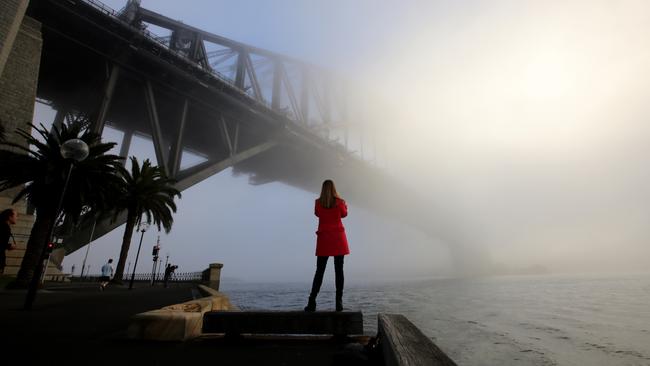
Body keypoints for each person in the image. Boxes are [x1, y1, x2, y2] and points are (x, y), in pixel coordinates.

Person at [305, 179, 350, 312]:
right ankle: (338, 303)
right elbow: (344, 214)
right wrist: (345, 205)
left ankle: (312, 302)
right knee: (339, 271)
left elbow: (317, 213)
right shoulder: (340, 202)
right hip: (338, 239)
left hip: (324, 239)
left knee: (319, 272)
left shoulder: (318, 203)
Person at [0, 208, 18, 275]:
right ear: (10, 217)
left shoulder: (4, 226)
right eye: (16, 216)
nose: (17, 218)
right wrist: (9, 246)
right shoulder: (4, 227)